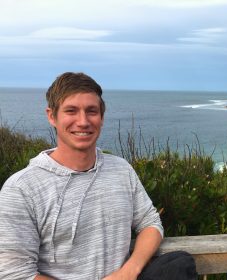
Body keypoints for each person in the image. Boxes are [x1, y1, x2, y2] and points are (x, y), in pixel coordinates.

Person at [0, 72, 197, 280]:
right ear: (52, 116)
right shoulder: (21, 188)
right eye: (71, 111)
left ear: (101, 117)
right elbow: (15, 273)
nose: (83, 121)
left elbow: (150, 222)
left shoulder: (121, 170)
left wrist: (129, 271)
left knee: (180, 264)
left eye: (91, 111)